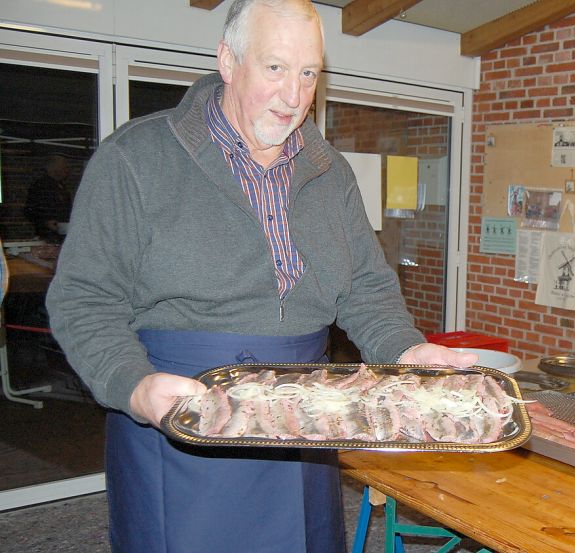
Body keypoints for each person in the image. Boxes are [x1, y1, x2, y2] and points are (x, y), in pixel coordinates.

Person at [45, 1, 475, 551]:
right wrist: (133, 384)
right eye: (275, 68)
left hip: (303, 419)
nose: (294, 96)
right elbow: (84, 299)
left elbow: (365, 286)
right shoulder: (135, 158)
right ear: (228, 60)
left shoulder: (331, 172)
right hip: (181, 413)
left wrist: (405, 349)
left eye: (308, 73)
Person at [24, 153, 74, 241]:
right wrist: (45, 223)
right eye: (64, 167)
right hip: (48, 235)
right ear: (54, 169)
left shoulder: (61, 186)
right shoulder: (40, 186)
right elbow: (29, 210)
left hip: (62, 233)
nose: (67, 170)